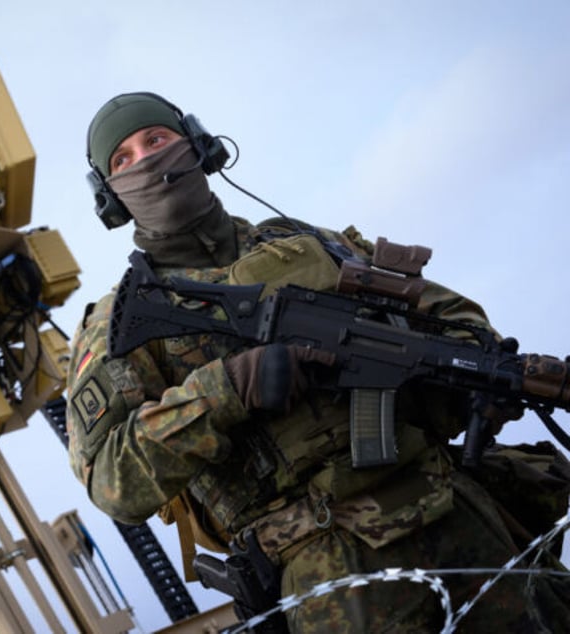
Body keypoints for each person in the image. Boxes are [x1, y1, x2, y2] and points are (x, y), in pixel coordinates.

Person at [65, 91, 570, 632]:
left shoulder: (303, 243)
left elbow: (440, 308)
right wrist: (226, 389)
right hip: (329, 566)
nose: (147, 161)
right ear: (110, 194)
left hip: (452, 508)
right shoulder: (123, 319)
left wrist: (475, 362)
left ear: (197, 145)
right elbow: (113, 484)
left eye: (157, 140)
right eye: (124, 159)